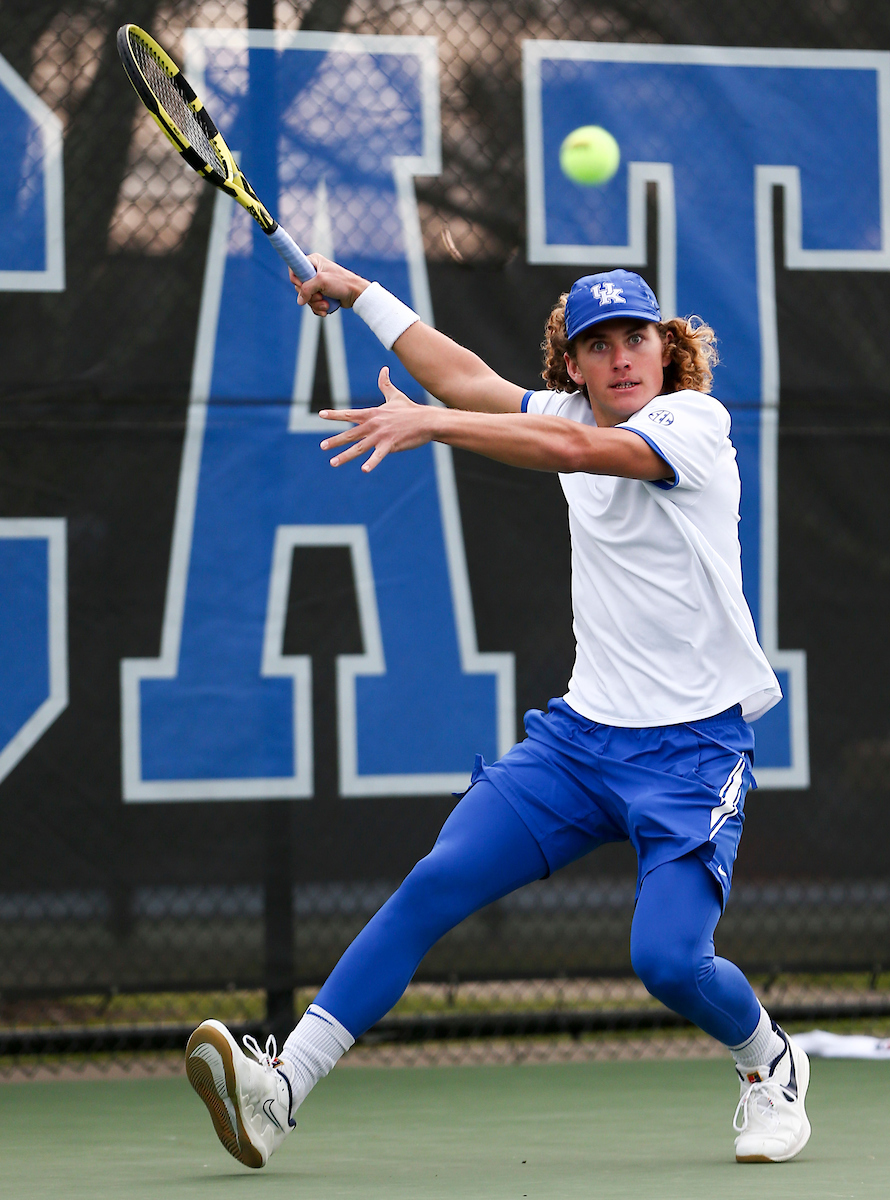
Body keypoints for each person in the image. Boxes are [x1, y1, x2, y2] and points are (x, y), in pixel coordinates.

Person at [184, 263, 810, 1170]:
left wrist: (432, 425)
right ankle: (280, 1089)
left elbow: (574, 450)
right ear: (575, 366)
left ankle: (770, 1064)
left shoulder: (693, 424)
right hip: (580, 744)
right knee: (436, 881)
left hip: (691, 753)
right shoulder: (566, 412)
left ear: (665, 350)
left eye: (636, 338)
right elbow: (465, 377)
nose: (621, 357)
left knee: (670, 963)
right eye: (599, 345)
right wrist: (360, 295)